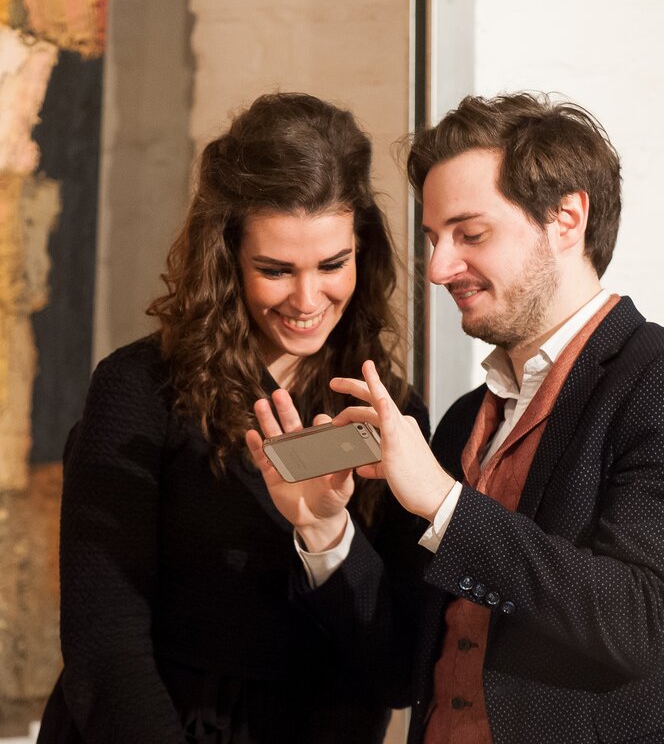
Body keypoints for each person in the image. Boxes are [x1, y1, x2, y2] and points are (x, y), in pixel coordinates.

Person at [249, 93, 664, 743]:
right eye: (434, 239)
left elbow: (645, 628)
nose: (439, 268)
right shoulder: (464, 421)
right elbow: (403, 673)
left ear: (567, 218)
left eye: (471, 234)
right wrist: (325, 532)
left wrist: (444, 502)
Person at [36, 92, 429, 744]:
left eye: (333, 265)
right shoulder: (139, 390)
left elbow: (397, 674)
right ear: (227, 257)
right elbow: (105, 652)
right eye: (275, 270)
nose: (308, 298)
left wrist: (328, 536)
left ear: (364, 249)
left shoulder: (390, 414)